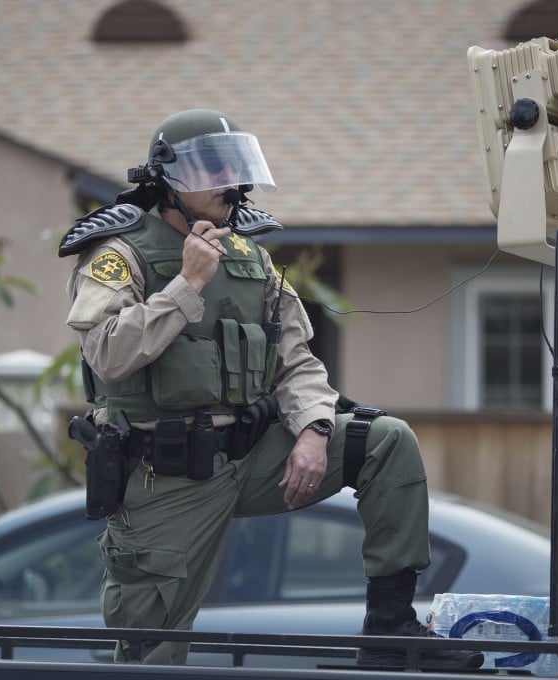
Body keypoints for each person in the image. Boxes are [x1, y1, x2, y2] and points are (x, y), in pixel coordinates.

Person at [60, 108, 483, 669]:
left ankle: (390, 631)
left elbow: (297, 360)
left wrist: (313, 428)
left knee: (385, 442)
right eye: (215, 170)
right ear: (169, 179)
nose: (233, 185)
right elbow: (109, 355)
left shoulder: (250, 256)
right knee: (150, 653)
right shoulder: (119, 253)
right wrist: (186, 285)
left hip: (252, 456)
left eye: (236, 168)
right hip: (166, 477)